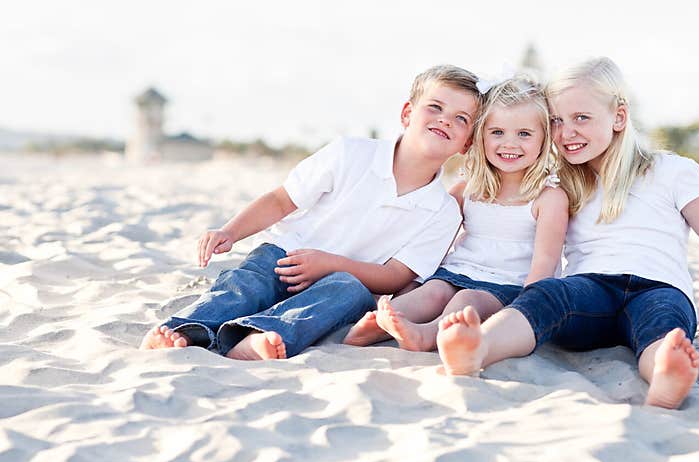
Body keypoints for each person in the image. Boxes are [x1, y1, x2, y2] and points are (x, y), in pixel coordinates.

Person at [435, 57, 699, 409]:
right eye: (557, 121)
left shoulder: (673, 171)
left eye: (582, 118)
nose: (566, 133)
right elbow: (493, 185)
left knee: (665, 327)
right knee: (548, 296)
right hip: (590, 292)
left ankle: (664, 375)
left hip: (658, 287)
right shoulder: (560, 183)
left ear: (619, 116)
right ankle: (477, 348)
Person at [140, 65, 482, 360]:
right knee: (245, 286)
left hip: (344, 281)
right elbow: (281, 200)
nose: (444, 120)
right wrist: (231, 231)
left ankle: (257, 339)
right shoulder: (351, 153)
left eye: (460, 118)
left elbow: (396, 276)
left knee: (347, 293)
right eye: (434, 107)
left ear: (466, 143)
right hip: (284, 258)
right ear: (407, 113)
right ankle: (183, 331)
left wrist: (332, 264)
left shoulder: (443, 211)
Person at [343, 76, 569, 352]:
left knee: (466, 301)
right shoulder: (466, 190)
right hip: (456, 272)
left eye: (524, 134)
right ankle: (378, 324)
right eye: (497, 132)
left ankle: (426, 335)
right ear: (480, 137)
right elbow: (431, 244)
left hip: (507, 286)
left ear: (544, 140)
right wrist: (407, 288)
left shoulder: (548, 197)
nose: (509, 144)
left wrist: (524, 311)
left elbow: (545, 264)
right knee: (432, 293)